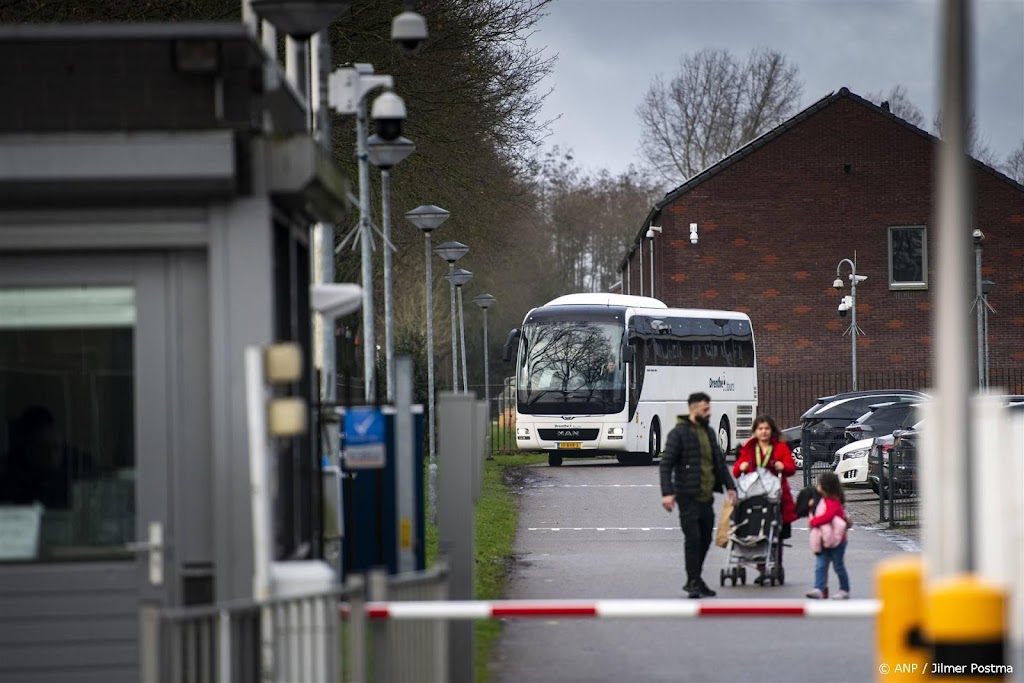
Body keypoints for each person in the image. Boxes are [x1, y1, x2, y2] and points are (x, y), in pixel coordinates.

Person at [660, 391, 737, 598]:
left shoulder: (709, 432)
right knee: (693, 538)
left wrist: (730, 486)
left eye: (709, 408)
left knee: (704, 538)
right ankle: (692, 581)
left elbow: (720, 463)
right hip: (687, 495)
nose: (709, 412)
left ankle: (696, 578)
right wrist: (668, 493)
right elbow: (666, 464)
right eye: (705, 409)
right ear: (693, 409)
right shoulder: (678, 433)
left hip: (706, 496)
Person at [732, 414, 798, 584]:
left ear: (772, 430)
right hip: (754, 495)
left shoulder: (780, 447)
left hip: (775, 496)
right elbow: (736, 470)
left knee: (777, 533)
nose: (763, 432)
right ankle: (762, 567)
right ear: (755, 431)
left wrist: (783, 466)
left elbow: (791, 467)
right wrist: (742, 466)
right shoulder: (750, 447)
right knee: (756, 530)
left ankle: (776, 564)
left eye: (767, 429)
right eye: (760, 429)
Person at [806, 472, 851, 600]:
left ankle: (844, 589)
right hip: (824, 539)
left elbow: (828, 516)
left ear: (825, 487)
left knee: (838, 566)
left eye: (819, 484)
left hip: (837, 541)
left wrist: (813, 522)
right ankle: (819, 588)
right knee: (820, 565)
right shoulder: (824, 501)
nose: (817, 487)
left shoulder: (833, 502)